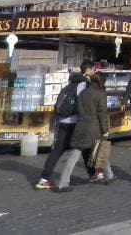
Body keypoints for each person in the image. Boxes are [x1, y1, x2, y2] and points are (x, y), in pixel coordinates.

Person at [35, 61, 94, 190]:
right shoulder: (83, 85)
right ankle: (89, 174)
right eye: (93, 70)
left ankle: (43, 178)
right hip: (74, 122)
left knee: (58, 150)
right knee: (82, 147)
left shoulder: (68, 85)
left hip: (62, 121)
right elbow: (85, 104)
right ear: (88, 71)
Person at [57, 72, 115, 191]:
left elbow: (78, 109)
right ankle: (109, 176)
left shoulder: (83, 93)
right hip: (94, 128)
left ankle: (63, 183)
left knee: (73, 156)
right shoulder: (101, 94)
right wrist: (105, 130)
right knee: (101, 151)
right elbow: (102, 114)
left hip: (81, 127)